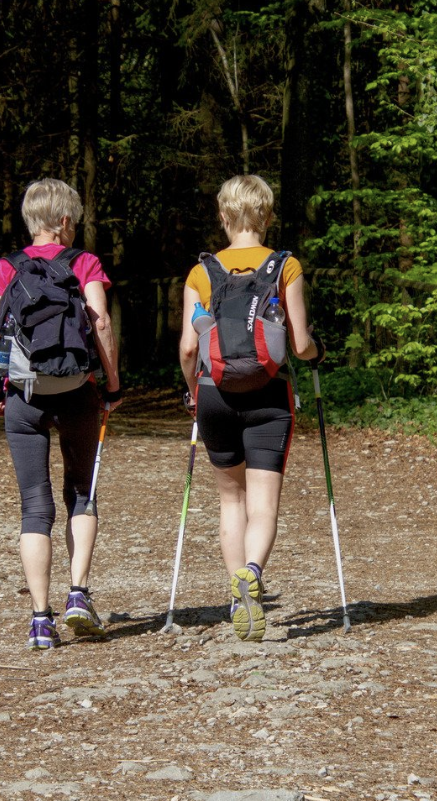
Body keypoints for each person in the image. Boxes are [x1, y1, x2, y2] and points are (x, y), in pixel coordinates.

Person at [178, 174, 323, 642]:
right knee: (263, 504)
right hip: (268, 395)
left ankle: (238, 594)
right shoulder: (285, 266)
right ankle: (254, 572)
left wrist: (191, 393)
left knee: (230, 499)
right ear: (267, 216)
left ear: (223, 217)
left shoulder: (201, 273)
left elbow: (187, 347)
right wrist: (317, 352)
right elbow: (299, 345)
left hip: (213, 393)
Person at [0, 178, 123, 650]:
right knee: (81, 491)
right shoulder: (84, 264)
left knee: (34, 506)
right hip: (77, 390)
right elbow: (100, 324)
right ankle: (78, 594)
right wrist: (112, 383)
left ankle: (41, 620)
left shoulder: (6, 268)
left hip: (24, 396)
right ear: (65, 221)